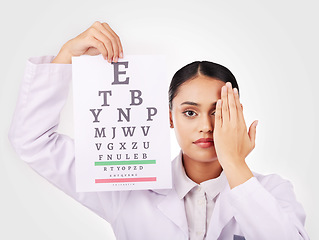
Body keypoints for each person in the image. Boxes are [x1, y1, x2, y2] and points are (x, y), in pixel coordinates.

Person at [8, 21, 309, 240]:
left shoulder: (272, 192)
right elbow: (33, 142)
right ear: (169, 118)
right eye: (190, 112)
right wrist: (66, 56)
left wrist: (235, 164)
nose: (206, 125)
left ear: (237, 117)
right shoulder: (126, 187)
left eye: (219, 112)